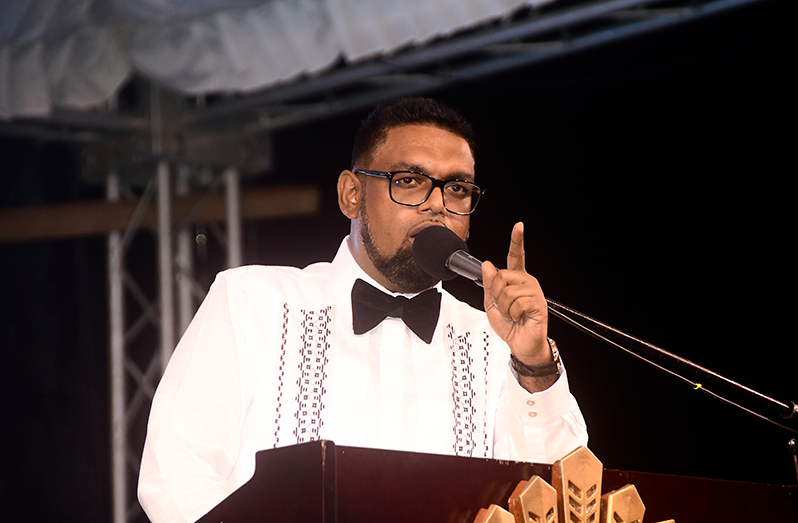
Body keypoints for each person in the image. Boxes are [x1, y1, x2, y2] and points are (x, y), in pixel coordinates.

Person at [138, 97, 587, 523]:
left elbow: (558, 494)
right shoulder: (251, 301)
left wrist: (534, 366)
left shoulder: (494, 342)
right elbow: (177, 469)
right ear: (352, 194)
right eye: (409, 181)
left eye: (457, 189)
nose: (436, 204)